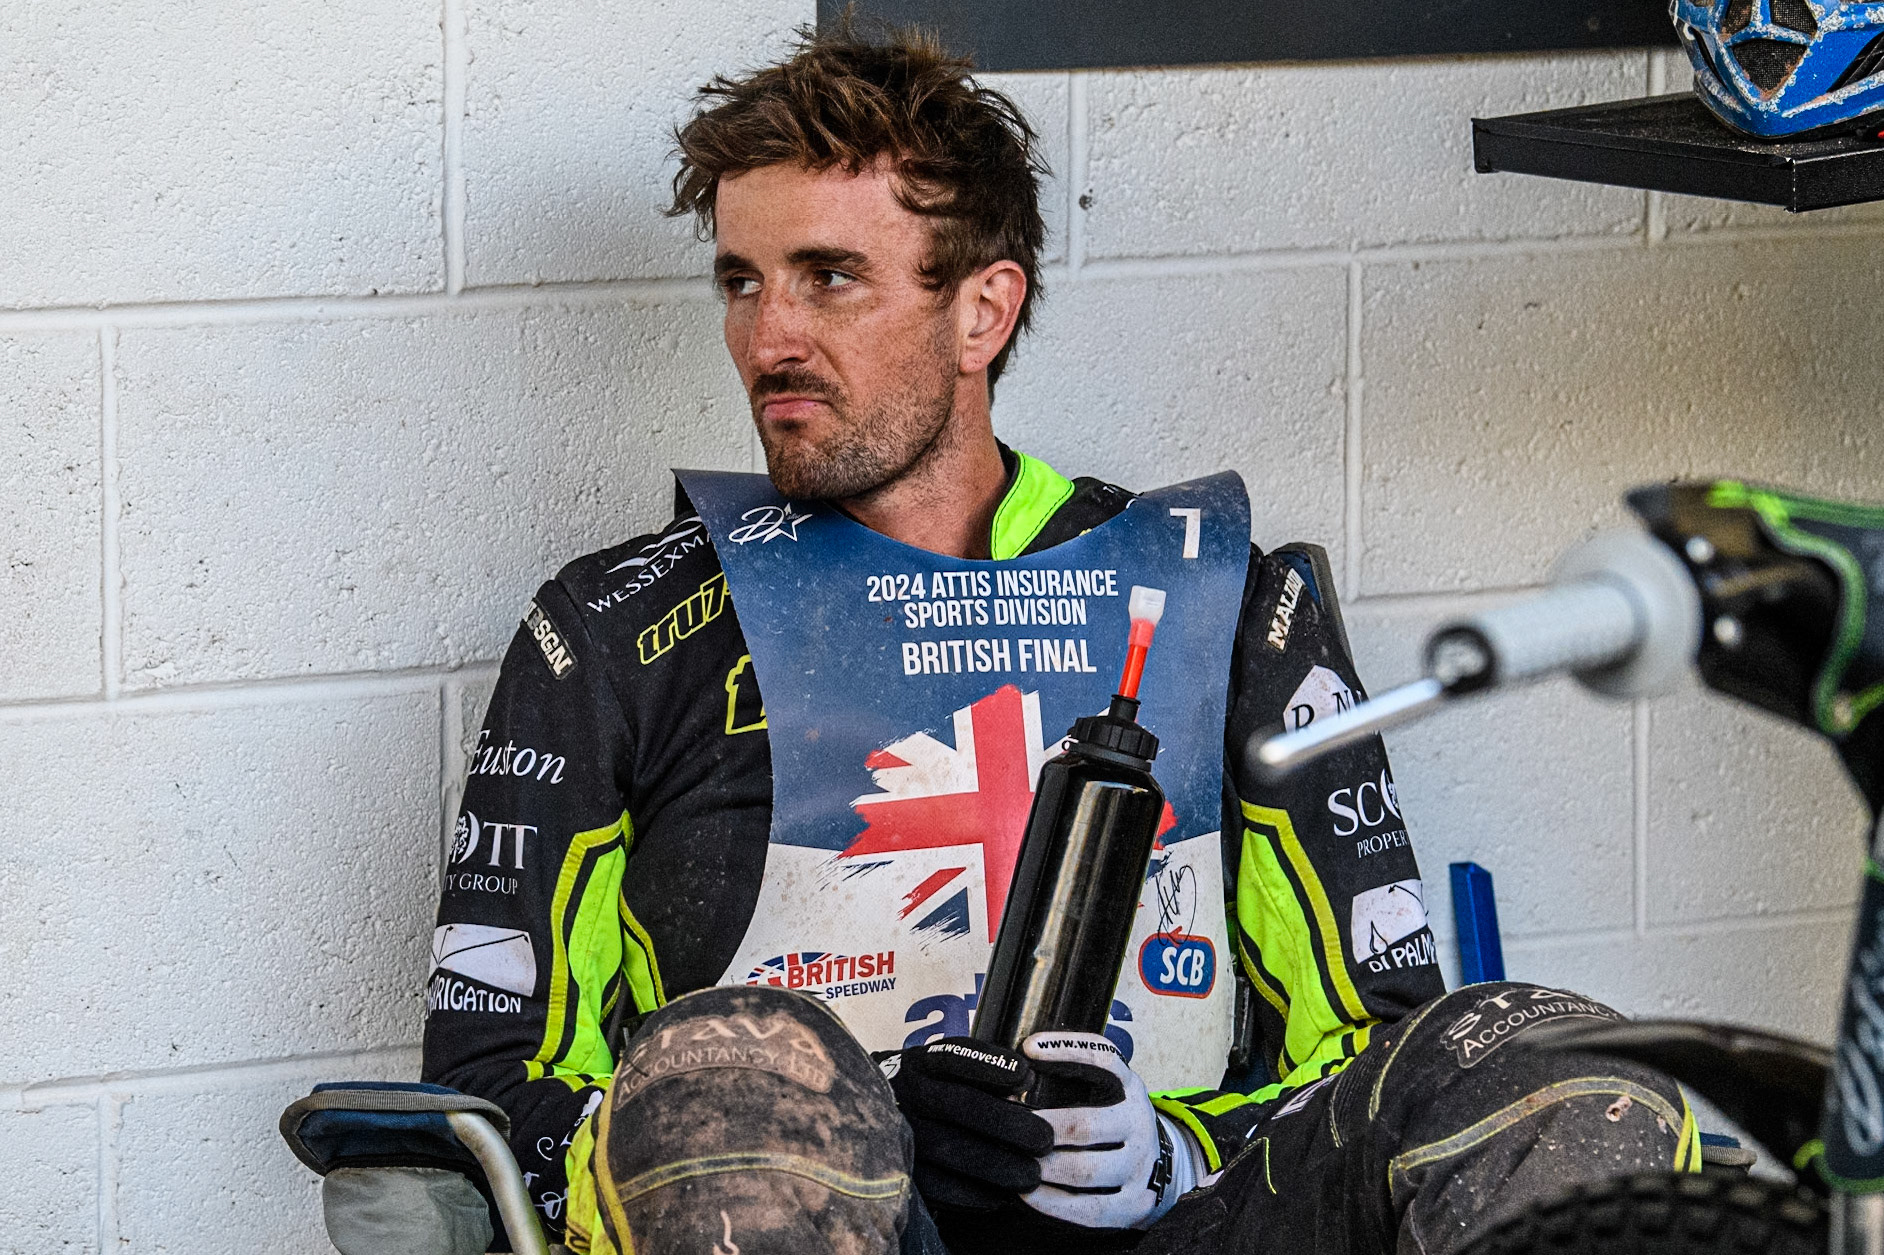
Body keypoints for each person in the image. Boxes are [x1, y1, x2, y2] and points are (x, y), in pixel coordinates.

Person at [420, 26, 1694, 1255]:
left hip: (1179, 1223)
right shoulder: (617, 633)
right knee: (736, 1072)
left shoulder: (1219, 603)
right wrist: (844, 1128)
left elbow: (1382, 1040)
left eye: (830, 277)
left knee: (1545, 1062)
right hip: (806, 1219)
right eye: (741, 281)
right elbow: (487, 1106)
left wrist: (1164, 1156)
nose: (769, 339)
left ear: (982, 313)